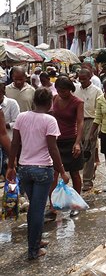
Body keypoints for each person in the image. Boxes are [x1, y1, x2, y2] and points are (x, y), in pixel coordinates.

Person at [6, 88, 69, 260]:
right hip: (42, 170)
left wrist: (11, 166)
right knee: (37, 209)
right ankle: (33, 250)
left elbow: (15, 144)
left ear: (34, 101)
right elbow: (52, 148)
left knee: (34, 207)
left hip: (24, 169)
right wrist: (62, 171)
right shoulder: (50, 120)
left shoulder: (22, 117)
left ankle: (37, 240)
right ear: (50, 103)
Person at [50, 76, 84, 217]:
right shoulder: (55, 98)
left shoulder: (77, 102)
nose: (61, 93)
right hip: (57, 140)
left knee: (74, 172)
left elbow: (80, 122)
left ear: (70, 89)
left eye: (64, 90)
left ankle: (76, 203)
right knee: (54, 173)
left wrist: (77, 142)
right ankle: (52, 206)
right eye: (59, 90)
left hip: (71, 139)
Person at [74, 69, 101, 192]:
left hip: (91, 121)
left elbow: (99, 110)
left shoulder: (96, 91)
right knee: (78, 149)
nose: (82, 81)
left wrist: (97, 127)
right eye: (80, 78)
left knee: (89, 149)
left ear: (90, 77)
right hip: (77, 121)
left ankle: (87, 180)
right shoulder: (76, 90)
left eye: (84, 78)